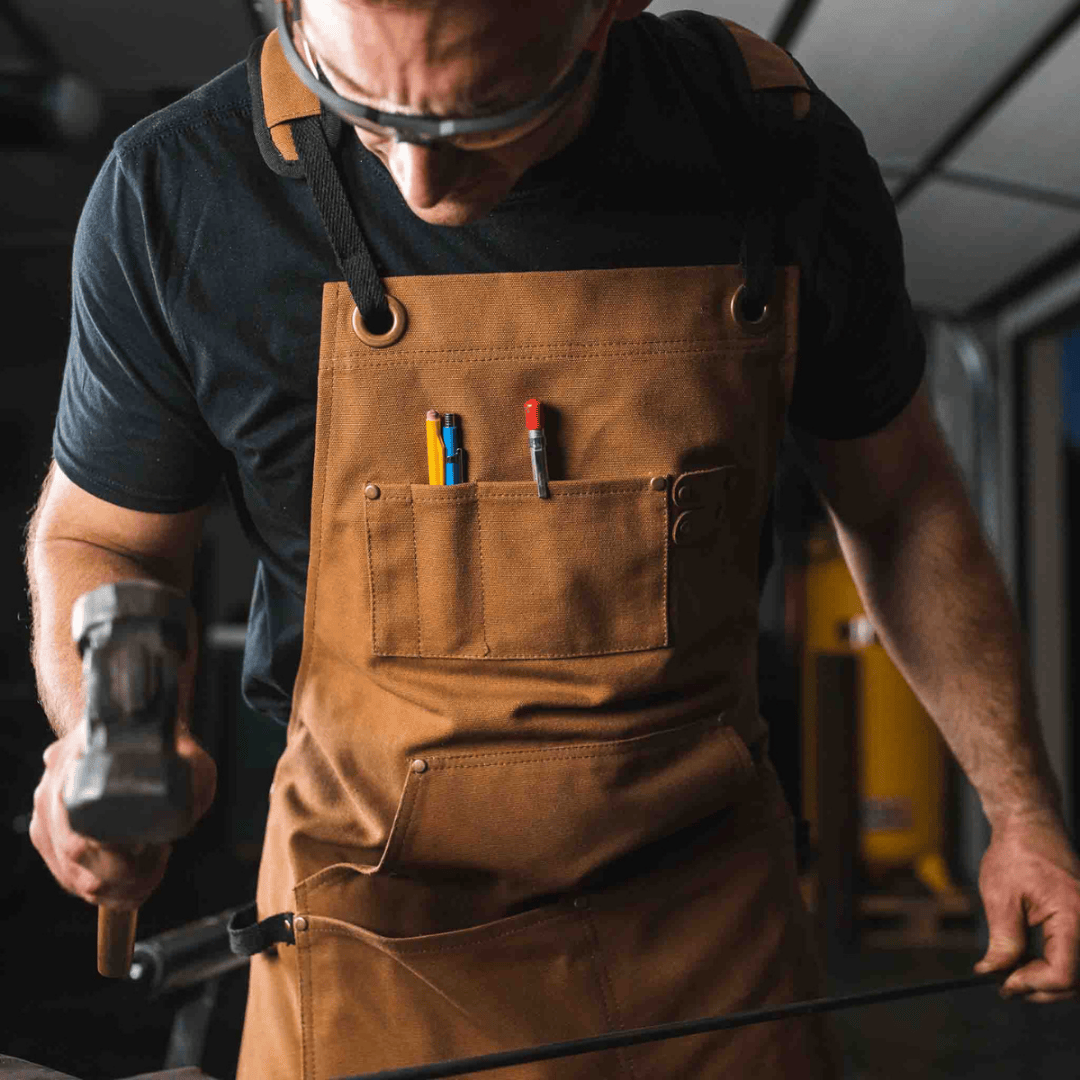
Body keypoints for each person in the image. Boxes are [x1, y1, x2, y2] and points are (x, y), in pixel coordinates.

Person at [25, 0, 1080, 1077]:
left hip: (713, 949)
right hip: (370, 954)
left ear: (609, 13)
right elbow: (102, 538)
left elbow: (902, 504)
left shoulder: (776, 143)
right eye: (365, 111)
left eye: (482, 116)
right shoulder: (181, 192)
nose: (418, 187)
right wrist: (105, 734)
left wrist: (1022, 810)